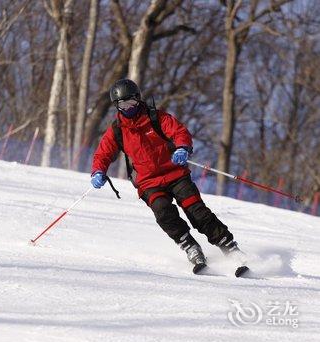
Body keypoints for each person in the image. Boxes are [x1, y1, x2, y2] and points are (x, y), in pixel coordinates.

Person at [90, 78, 241, 274]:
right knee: (163, 213)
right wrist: (98, 171)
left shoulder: (157, 118)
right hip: (148, 182)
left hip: (175, 174)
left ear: (138, 99)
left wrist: (182, 148)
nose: (128, 108)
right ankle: (190, 246)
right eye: (122, 104)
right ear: (116, 106)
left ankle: (229, 246)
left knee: (196, 210)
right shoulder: (117, 130)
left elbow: (179, 131)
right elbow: (103, 153)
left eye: (131, 102)